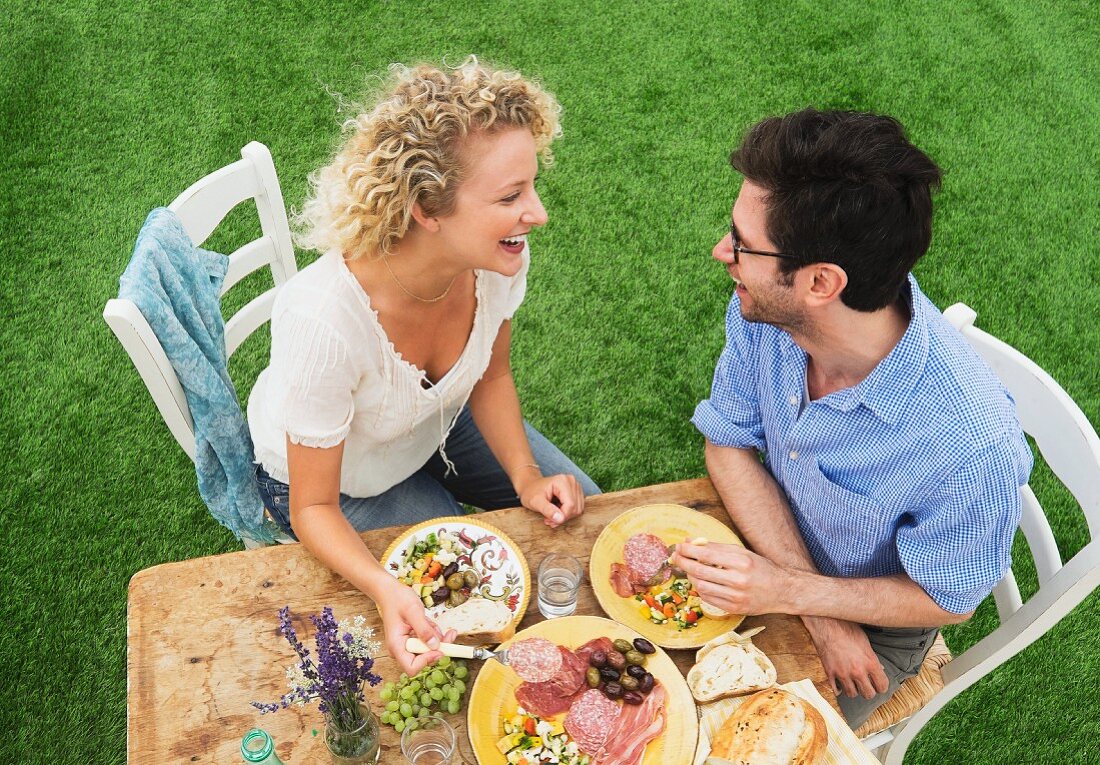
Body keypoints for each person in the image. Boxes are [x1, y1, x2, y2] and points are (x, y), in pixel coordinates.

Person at [672, 108, 1032, 729]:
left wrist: (794, 595)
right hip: (781, 557)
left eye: (742, 244)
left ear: (820, 282)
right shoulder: (768, 313)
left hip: (881, 620)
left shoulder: (971, 444)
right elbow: (727, 448)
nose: (721, 252)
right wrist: (813, 608)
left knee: (710, 740)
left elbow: (947, 599)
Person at [246, 58, 600, 674]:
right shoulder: (322, 321)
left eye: (531, 187)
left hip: (435, 416)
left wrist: (523, 477)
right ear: (426, 209)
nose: (537, 213)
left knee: (584, 514)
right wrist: (385, 591)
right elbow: (313, 508)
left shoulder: (497, 257)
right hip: (336, 482)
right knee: (465, 600)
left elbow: (490, 376)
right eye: (511, 196)